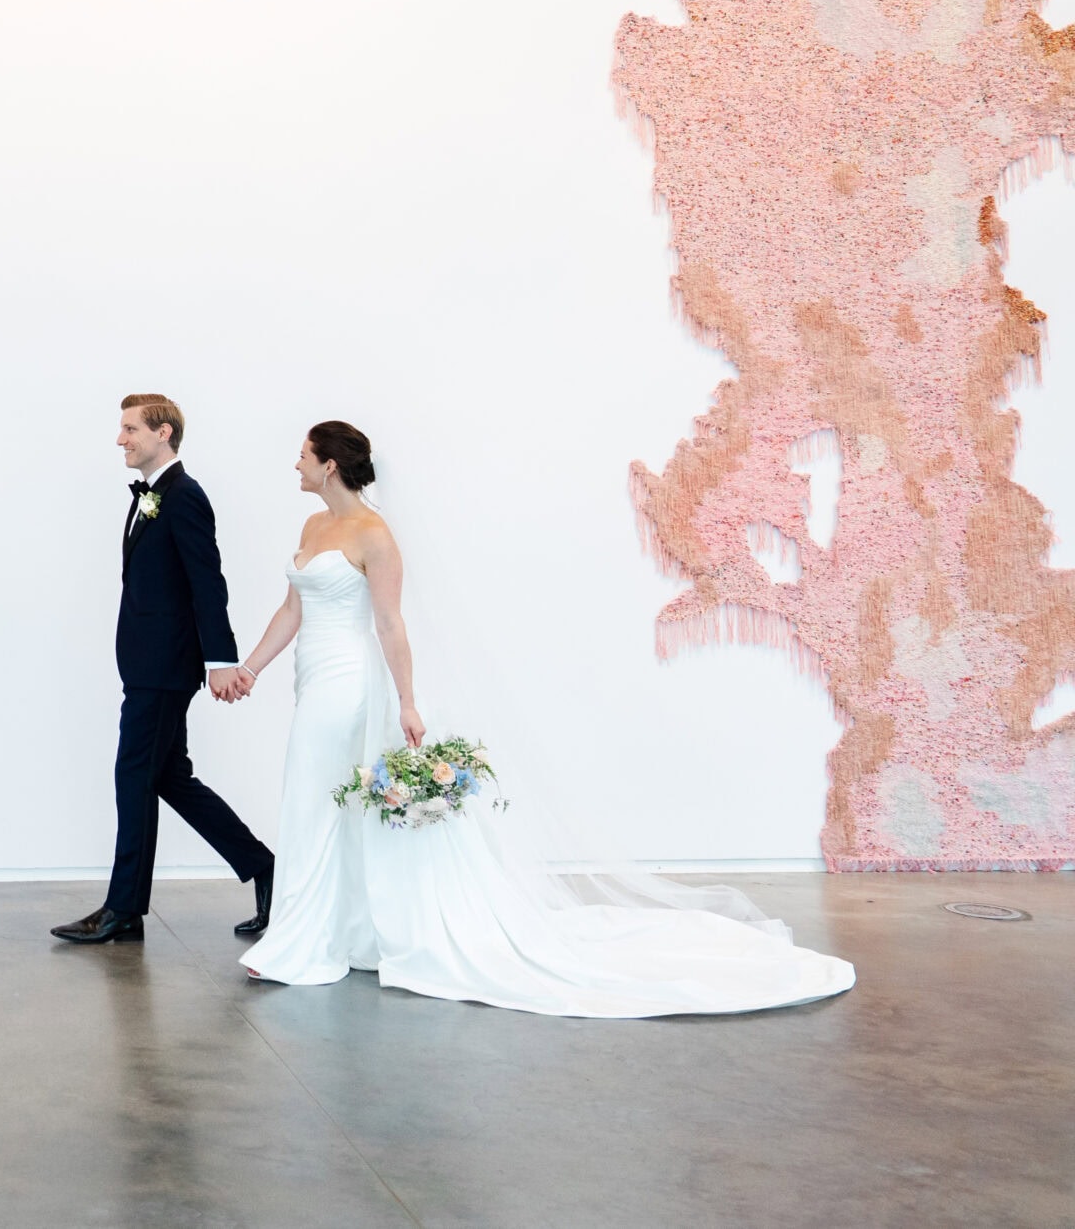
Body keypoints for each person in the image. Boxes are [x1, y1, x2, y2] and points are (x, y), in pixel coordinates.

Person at [223, 420, 855, 1016]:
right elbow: (291, 609)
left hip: (350, 683)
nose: (296, 463)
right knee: (322, 800)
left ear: (329, 464)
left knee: (313, 797)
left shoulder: (375, 537)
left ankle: (301, 944)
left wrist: (408, 700)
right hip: (313, 676)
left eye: (304, 454)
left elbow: (390, 623)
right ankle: (340, 931)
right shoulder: (311, 527)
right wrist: (251, 667)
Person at [52, 395, 274, 945]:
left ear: (163, 433)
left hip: (165, 668)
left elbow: (208, 582)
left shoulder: (184, 497)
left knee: (134, 776)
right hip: (149, 663)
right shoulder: (151, 496)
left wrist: (220, 660)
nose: (121, 439)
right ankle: (267, 868)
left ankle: (122, 909)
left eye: (130, 429)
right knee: (169, 778)